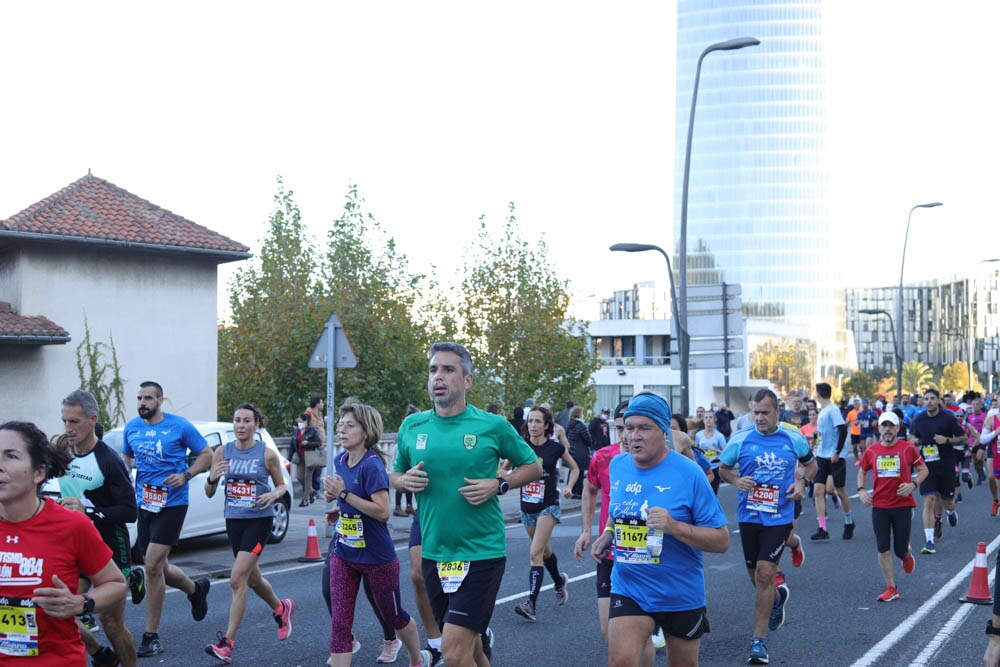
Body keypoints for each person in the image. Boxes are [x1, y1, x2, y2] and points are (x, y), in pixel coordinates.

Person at [391, 342, 542, 667]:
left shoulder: (492, 425)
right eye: (433, 370)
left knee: (454, 651)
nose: (438, 377)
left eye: (448, 369)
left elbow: (534, 466)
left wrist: (499, 483)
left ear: (468, 380)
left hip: (481, 551)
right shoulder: (412, 426)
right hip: (435, 552)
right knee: (469, 649)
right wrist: (404, 481)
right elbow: (396, 473)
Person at [589, 392, 729, 667]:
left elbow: (721, 541)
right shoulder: (618, 465)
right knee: (621, 662)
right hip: (630, 586)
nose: (633, 436)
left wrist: (675, 527)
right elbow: (621, 511)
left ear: (663, 431)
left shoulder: (689, 473)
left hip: (679, 592)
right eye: (628, 428)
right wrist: (608, 533)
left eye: (644, 428)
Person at [0, 421, 129, 665]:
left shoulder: (71, 525)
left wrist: (80, 603)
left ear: (39, 472)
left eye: (11, 456)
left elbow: (115, 583)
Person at [323, 402, 431, 667]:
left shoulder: (372, 465)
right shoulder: (340, 460)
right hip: (345, 553)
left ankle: (418, 659)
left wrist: (344, 495)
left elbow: (382, 512)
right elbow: (351, 499)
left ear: (366, 430)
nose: (342, 430)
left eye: (350, 426)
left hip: (377, 557)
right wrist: (340, 507)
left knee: (393, 615)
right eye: (340, 425)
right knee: (340, 624)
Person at [718, 388, 817, 666]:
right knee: (754, 576)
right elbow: (723, 469)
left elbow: (811, 465)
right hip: (749, 516)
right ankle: (775, 599)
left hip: (779, 515)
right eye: (755, 412)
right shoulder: (740, 439)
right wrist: (736, 481)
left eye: (765, 412)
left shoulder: (792, 437)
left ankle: (758, 642)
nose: (759, 418)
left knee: (764, 574)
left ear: (777, 412)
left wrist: (802, 483)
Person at [121, 381, 213, 657]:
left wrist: (186, 474)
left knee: (151, 565)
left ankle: (151, 636)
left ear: (161, 400)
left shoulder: (179, 426)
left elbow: (206, 454)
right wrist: (128, 475)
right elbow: (126, 456)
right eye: (139, 398)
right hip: (145, 503)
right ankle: (195, 590)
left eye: (148, 398)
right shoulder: (132, 428)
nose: (142, 403)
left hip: (173, 503)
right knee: (158, 566)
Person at [203, 403, 295, 663]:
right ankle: (281, 608)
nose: (241, 425)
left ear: (256, 425)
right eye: (237, 420)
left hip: (259, 520)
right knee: (253, 579)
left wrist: (273, 494)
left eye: (246, 421)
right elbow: (209, 492)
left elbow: (281, 486)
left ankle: (227, 643)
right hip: (234, 521)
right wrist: (212, 477)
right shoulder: (222, 451)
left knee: (237, 579)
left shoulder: (266, 454)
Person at [57, 390, 139, 667]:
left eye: (75, 422)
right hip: (73, 546)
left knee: (111, 623)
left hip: (109, 548)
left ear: (92, 420)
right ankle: (100, 655)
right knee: (59, 610)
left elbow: (130, 511)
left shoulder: (109, 460)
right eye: (65, 421)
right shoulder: (62, 452)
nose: (68, 429)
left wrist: (88, 512)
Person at [512, 405, 578, 622]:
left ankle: (530, 604)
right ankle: (559, 581)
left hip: (548, 505)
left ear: (547, 425)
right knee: (544, 552)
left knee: (534, 554)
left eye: (537, 421)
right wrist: (508, 479)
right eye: (530, 421)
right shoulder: (521, 447)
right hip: (527, 507)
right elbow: (503, 469)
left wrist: (569, 487)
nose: (533, 425)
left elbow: (575, 468)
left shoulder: (555, 448)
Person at [857, 411, 928, 603]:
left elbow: (923, 470)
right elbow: (862, 471)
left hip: (902, 505)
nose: (887, 429)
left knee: (899, 549)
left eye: (891, 426)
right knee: (882, 548)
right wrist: (862, 490)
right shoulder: (871, 451)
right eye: (884, 426)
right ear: (879, 428)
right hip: (880, 505)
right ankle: (891, 587)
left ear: (898, 428)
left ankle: (906, 554)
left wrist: (913, 485)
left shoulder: (908, 448)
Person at [908, 388, 965, 554]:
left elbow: (964, 438)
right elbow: (912, 436)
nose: (929, 401)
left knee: (947, 500)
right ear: (923, 401)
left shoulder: (948, 418)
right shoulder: (919, 419)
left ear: (938, 400)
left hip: (946, 465)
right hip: (926, 467)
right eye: (926, 399)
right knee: (929, 500)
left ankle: (951, 511)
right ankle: (929, 541)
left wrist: (947, 439)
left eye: (932, 398)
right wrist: (914, 441)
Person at [811, 382, 855, 541]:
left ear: (818, 394)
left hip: (835, 457)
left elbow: (843, 429)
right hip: (822, 457)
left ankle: (849, 522)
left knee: (840, 491)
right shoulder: (822, 411)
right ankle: (822, 528)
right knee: (818, 490)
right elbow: (818, 433)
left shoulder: (833, 410)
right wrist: (813, 451)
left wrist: (837, 452)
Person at [292, 412, 323, 506]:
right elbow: (292, 444)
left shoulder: (312, 431)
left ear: (306, 421)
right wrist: (290, 457)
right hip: (300, 457)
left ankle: (305, 500)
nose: (299, 424)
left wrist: (308, 443)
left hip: (310, 456)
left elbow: (318, 443)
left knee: (307, 477)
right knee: (299, 477)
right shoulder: (296, 431)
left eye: (301, 421)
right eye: (298, 422)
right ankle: (311, 492)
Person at [695, 411, 727, 494]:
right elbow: (696, 450)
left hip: (715, 467)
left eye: (710, 417)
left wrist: (715, 450)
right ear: (703, 421)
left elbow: (726, 453)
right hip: (703, 467)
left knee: (713, 492)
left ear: (714, 420)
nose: (708, 420)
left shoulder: (719, 436)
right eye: (706, 418)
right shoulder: (698, 435)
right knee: (702, 491)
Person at [565, 406, 592, 498]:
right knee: (580, 472)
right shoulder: (581, 426)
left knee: (572, 470)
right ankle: (578, 492)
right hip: (581, 452)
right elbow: (588, 440)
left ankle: (570, 490)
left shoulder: (569, 425)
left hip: (571, 451)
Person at [307, 395, 328, 498]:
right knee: (311, 470)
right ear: (317, 404)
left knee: (318, 469)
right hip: (312, 446)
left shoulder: (320, 414)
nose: (323, 404)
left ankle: (316, 490)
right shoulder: (308, 414)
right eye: (322, 402)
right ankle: (310, 491)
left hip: (321, 445)